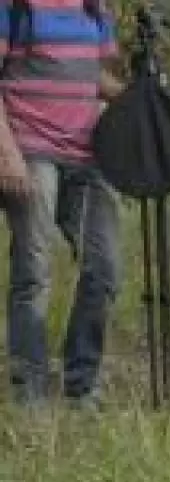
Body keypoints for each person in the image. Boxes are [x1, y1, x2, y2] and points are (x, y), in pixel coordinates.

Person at [0, 0, 125, 410]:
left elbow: (97, 77)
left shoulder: (94, 8)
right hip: (32, 148)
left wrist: (139, 94)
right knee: (34, 268)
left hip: (89, 153)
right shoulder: (14, 7)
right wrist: (8, 154)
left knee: (104, 267)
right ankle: (29, 389)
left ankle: (81, 383)